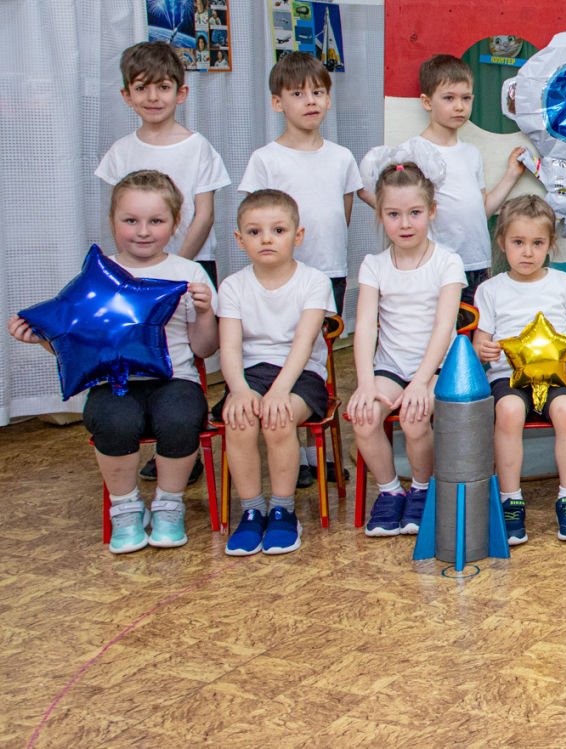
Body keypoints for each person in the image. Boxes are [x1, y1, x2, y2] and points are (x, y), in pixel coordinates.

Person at [10, 172, 217, 553]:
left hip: (175, 380)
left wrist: (204, 313)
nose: (143, 231)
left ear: (175, 224)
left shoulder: (187, 273)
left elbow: (204, 349)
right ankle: (125, 508)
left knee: (181, 417)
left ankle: (169, 506)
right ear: (112, 221)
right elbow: (77, 343)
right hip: (112, 382)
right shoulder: (98, 273)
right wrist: (41, 338)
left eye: (156, 221)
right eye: (130, 220)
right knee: (112, 420)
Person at [348, 153, 465, 538]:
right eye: (393, 214)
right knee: (364, 416)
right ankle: (389, 491)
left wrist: (421, 382)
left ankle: (420, 488)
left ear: (431, 211)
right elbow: (365, 327)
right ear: (380, 215)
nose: (404, 223)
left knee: (414, 417)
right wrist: (366, 384)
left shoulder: (447, 262)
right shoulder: (374, 264)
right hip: (390, 368)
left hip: (436, 367)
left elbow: (444, 326)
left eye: (414, 213)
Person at [215, 190, 336, 557]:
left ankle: (283, 510)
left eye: (278, 230)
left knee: (278, 419)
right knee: (239, 420)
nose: (266, 239)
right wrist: (238, 390)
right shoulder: (233, 286)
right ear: (240, 239)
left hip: (301, 374)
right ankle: (252, 511)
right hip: (250, 374)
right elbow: (230, 348)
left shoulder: (314, 281)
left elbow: (304, 342)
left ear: (298, 236)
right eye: (255, 232)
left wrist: (281, 390)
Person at [473, 196, 566, 545]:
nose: (527, 252)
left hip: (557, 377)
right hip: (507, 378)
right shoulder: (490, 290)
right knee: (509, 411)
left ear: (550, 244)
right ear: (502, 243)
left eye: (537, 243)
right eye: (518, 242)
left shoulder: (565, 285)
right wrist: (483, 349)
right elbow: (480, 344)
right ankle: (510, 500)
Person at [95, 41, 230, 283]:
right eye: (141, 88)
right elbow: (118, 215)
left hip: (193, 262)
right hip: (137, 267)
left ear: (181, 93)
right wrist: (131, 266)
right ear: (127, 95)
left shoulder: (198, 148)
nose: (153, 97)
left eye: (163, 87)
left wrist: (176, 267)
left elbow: (204, 215)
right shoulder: (120, 151)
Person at [237, 53, 361, 315]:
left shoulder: (342, 157)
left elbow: (343, 212)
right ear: (277, 102)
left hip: (331, 269)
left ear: (328, 99)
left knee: (324, 335)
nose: (310, 101)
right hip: (281, 272)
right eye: (297, 94)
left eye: (317, 92)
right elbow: (255, 219)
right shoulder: (265, 159)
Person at [412, 54, 524, 295]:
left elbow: (482, 209)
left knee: (474, 319)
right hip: (438, 266)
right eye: (449, 98)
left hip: (477, 263)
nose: (459, 106)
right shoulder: (414, 152)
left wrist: (511, 175)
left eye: (466, 98)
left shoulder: (471, 153)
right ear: (427, 102)